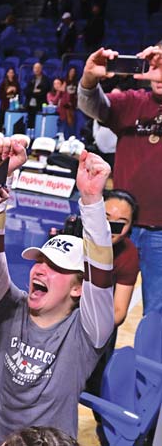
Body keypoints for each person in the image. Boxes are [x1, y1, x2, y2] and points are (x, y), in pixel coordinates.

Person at [0, 139, 115, 446]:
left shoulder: (87, 334)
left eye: (56, 266)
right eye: (40, 260)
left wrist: (92, 201)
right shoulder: (7, 307)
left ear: (77, 288)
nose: (40, 270)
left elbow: (99, 276)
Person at [78, 45, 162, 314]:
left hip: (160, 232)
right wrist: (89, 80)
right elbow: (93, 105)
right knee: (100, 303)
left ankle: (152, 356)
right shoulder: (133, 101)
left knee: (157, 312)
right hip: (118, 226)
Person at [85, 189, 140, 441]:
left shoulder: (128, 255)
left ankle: (106, 425)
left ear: (131, 227)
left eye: (122, 222)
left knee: (98, 383)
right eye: (105, 216)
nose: (112, 225)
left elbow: (118, 312)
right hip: (63, 318)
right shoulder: (75, 234)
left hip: (100, 325)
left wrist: (88, 326)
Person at [25, 62, 52, 128]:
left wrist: (33, 92)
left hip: (40, 105)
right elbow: (26, 91)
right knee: (30, 123)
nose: (36, 70)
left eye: (38, 68)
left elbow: (44, 92)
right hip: (30, 105)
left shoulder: (46, 80)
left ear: (41, 69)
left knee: (38, 124)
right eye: (35, 68)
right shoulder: (30, 78)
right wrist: (35, 92)